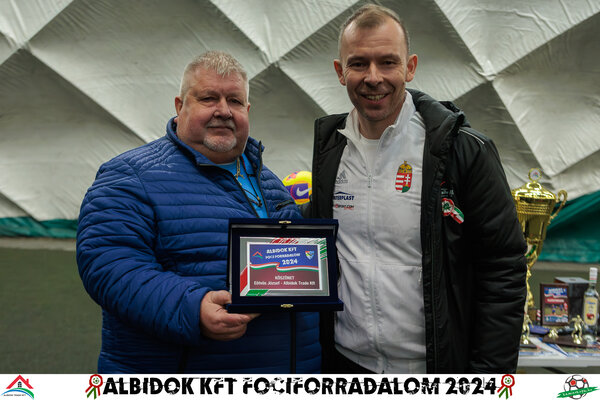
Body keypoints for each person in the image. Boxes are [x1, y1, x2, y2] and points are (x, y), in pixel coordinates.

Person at [309, 4, 527, 373]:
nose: (373, 77)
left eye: (387, 62)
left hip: (433, 370)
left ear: (410, 67)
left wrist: (487, 380)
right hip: (345, 366)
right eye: (358, 63)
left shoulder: (463, 150)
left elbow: (502, 269)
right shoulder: (331, 149)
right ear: (340, 71)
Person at [77, 51, 320, 373]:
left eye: (235, 101)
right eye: (208, 98)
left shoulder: (271, 183)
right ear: (180, 106)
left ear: (247, 111)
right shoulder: (130, 175)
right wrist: (192, 308)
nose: (223, 110)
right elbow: (110, 264)